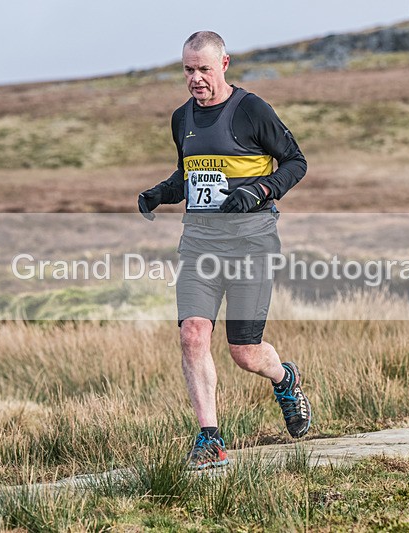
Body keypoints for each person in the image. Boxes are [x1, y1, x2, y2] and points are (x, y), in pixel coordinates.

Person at [138, 30, 311, 470]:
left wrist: (260, 191)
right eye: (187, 70)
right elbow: (188, 175)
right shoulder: (181, 118)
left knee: (244, 352)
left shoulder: (251, 110)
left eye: (203, 69)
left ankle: (284, 378)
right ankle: (210, 439)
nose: (195, 78)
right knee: (192, 334)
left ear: (225, 64)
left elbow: (296, 162)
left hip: (252, 242)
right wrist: (160, 193)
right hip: (199, 244)